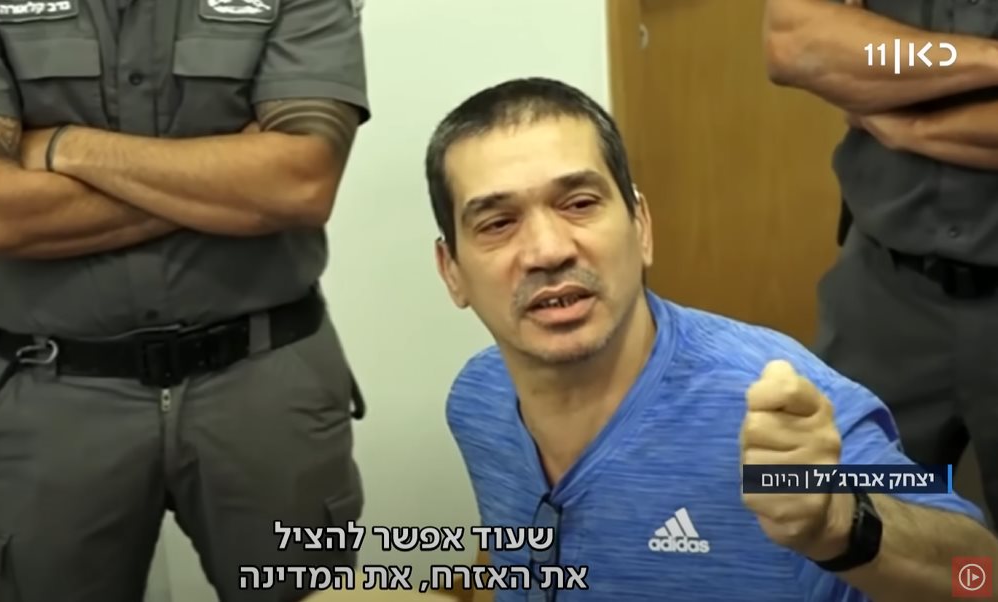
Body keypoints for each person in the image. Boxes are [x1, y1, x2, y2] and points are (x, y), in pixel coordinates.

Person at [423, 77, 998, 601]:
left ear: (641, 227)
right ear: (452, 272)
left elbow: (982, 575)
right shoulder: (479, 398)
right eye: (498, 223)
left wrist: (841, 523)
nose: (548, 250)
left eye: (579, 204)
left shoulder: (778, 411)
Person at [0, 1, 369, 600]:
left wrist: (69, 146)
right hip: (53, 396)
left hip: (265, 382)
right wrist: (228, 183)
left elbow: (300, 183)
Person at [763, 0, 998, 525]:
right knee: (838, 516)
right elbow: (794, 41)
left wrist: (912, 127)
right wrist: (988, 60)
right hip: (884, 291)